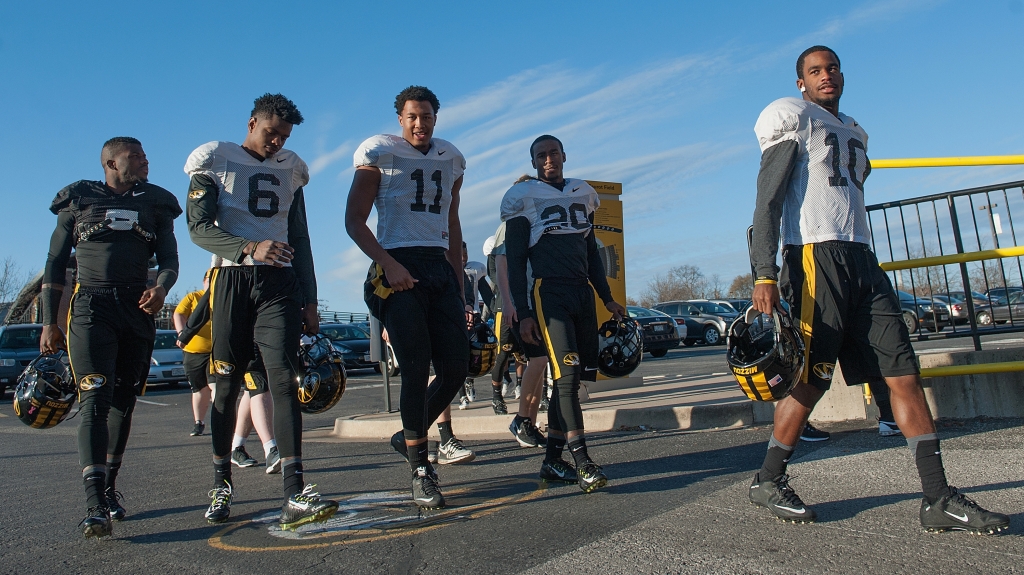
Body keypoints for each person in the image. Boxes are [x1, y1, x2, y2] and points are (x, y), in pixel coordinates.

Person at [747, 46, 1009, 533]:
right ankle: (767, 480)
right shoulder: (793, 117)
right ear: (800, 82)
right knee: (810, 380)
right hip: (813, 256)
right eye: (815, 71)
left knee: (903, 373)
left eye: (832, 68)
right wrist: (764, 271)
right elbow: (768, 200)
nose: (826, 76)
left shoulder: (854, 128)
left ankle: (937, 497)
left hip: (862, 258)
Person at [184, 93, 337, 529]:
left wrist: (310, 296)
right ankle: (220, 482)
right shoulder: (216, 159)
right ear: (252, 123)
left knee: (285, 379)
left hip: (280, 282)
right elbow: (198, 229)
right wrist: (250, 248)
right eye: (271, 133)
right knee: (227, 384)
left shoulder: (291, 168)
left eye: (284, 136)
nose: (276, 142)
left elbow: (300, 237)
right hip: (232, 279)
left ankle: (295, 490)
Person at [40, 137, 181, 538]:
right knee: (94, 400)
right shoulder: (78, 200)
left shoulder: (156, 203)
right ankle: (94, 503)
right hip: (91, 308)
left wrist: (163, 289)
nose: (145, 160)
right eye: (135, 156)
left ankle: (109, 487)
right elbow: (53, 263)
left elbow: (169, 258)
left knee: (123, 402)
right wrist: (50, 321)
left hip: (136, 307)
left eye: (145, 154)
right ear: (110, 162)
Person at [346, 85, 469, 509]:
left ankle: (407, 434)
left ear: (437, 117)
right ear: (400, 118)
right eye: (412, 116)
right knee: (415, 366)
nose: (420, 123)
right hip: (395, 263)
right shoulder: (379, 152)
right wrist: (389, 264)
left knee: (457, 367)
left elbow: (452, 222)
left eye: (427, 116)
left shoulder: (451, 158)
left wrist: (459, 281)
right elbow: (354, 221)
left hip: (438, 266)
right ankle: (420, 467)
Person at [502, 135, 626, 493]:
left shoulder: (582, 193)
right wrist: (524, 313)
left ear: (564, 156)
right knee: (567, 376)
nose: (547, 160)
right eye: (540, 156)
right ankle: (583, 461)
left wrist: (606, 298)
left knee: (572, 380)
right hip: (549, 292)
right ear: (533, 163)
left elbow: (591, 255)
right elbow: (516, 260)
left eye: (552, 153)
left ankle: (552, 460)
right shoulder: (523, 199)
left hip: (581, 294)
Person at [489, 221, 549, 447]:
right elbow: (501, 265)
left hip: (538, 302)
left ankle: (530, 424)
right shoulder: (509, 225)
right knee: (538, 358)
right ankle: (521, 419)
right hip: (518, 304)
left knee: (539, 362)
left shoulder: (537, 223)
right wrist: (507, 303)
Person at [174, 270, 214, 437]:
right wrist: (182, 333)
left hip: (216, 352)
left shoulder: (222, 299)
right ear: (204, 281)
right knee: (199, 390)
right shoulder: (193, 297)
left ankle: (226, 422)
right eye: (209, 280)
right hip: (194, 352)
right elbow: (179, 313)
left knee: (218, 387)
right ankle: (199, 422)